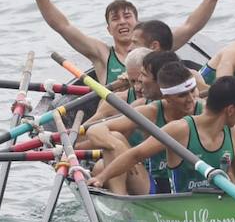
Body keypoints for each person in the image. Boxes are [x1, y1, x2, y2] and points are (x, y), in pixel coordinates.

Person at [25, 0, 227, 85]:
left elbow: (191, 26)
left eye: (127, 16)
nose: (122, 22)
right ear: (108, 29)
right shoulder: (102, 54)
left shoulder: (156, 46)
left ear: (137, 21)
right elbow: (63, 26)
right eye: (115, 19)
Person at [92, 76, 235, 193]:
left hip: (217, 209)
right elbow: (136, 154)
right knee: (100, 167)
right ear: (231, 110)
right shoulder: (179, 129)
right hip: (181, 211)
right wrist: (101, 178)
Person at [83, 60, 201, 194]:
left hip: (193, 185)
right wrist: (116, 145)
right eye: (183, 95)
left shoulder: (205, 111)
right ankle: (121, 201)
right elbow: (95, 129)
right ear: (167, 97)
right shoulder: (151, 111)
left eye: (193, 91)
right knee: (113, 141)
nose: (191, 99)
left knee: (100, 166)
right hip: (154, 186)